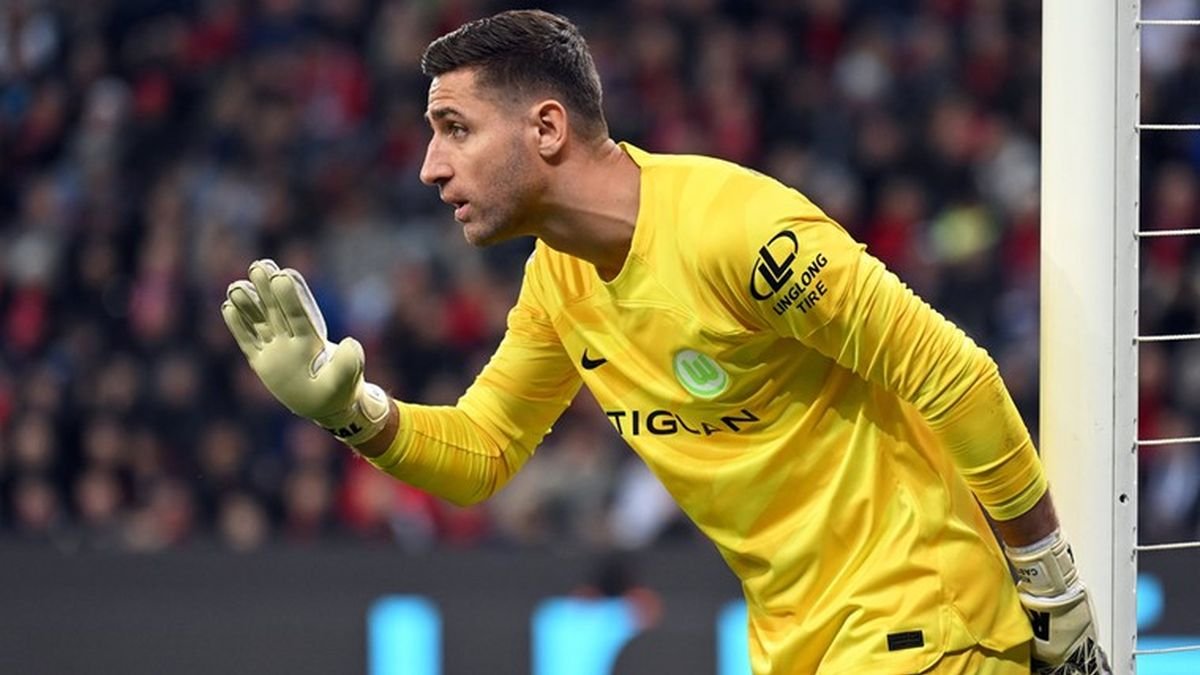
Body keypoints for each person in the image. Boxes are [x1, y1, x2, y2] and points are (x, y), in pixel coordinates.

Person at [220, 9, 1110, 675]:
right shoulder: (559, 279)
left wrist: (1051, 585)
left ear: (546, 128)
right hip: (801, 643)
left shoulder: (737, 232)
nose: (430, 165)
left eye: (455, 129)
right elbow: (484, 450)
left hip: (922, 622)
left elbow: (951, 371)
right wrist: (351, 411)